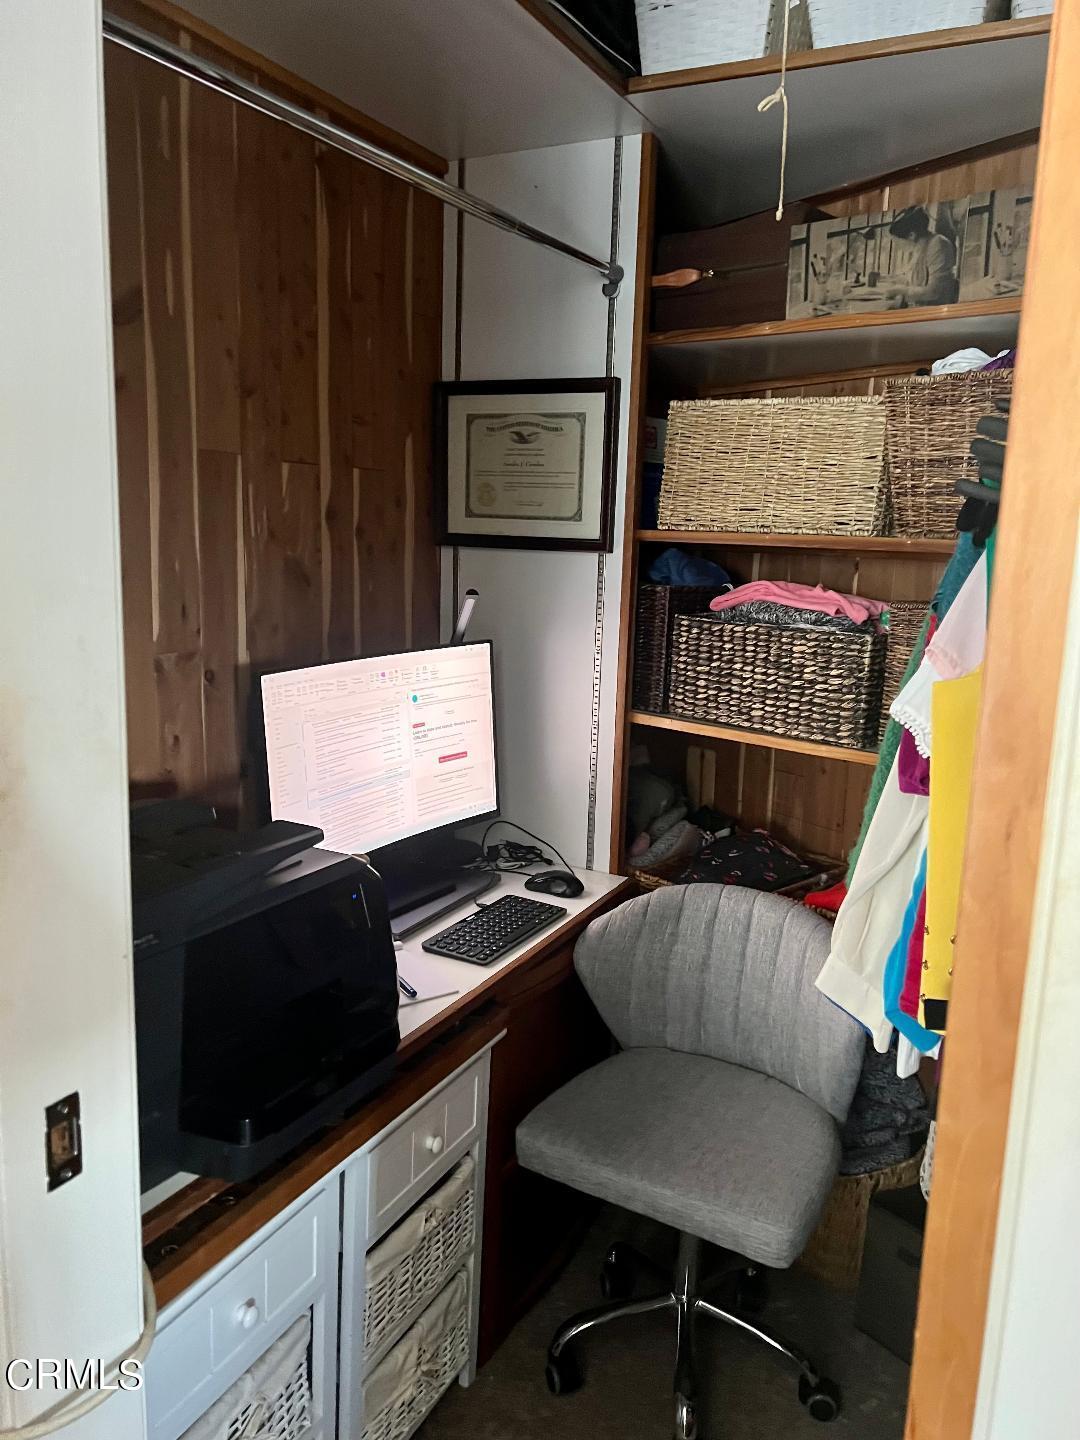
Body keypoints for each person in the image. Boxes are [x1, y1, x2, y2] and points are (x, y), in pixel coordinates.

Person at [882, 206, 959, 309]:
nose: (898, 246)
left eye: (898, 242)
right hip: (921, 307)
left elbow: (934, 291)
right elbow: (915, 279)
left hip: (935, 310)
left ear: (911, 235)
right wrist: (893, 280)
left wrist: (901, 291)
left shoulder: (937, 244)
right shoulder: (919, 248)